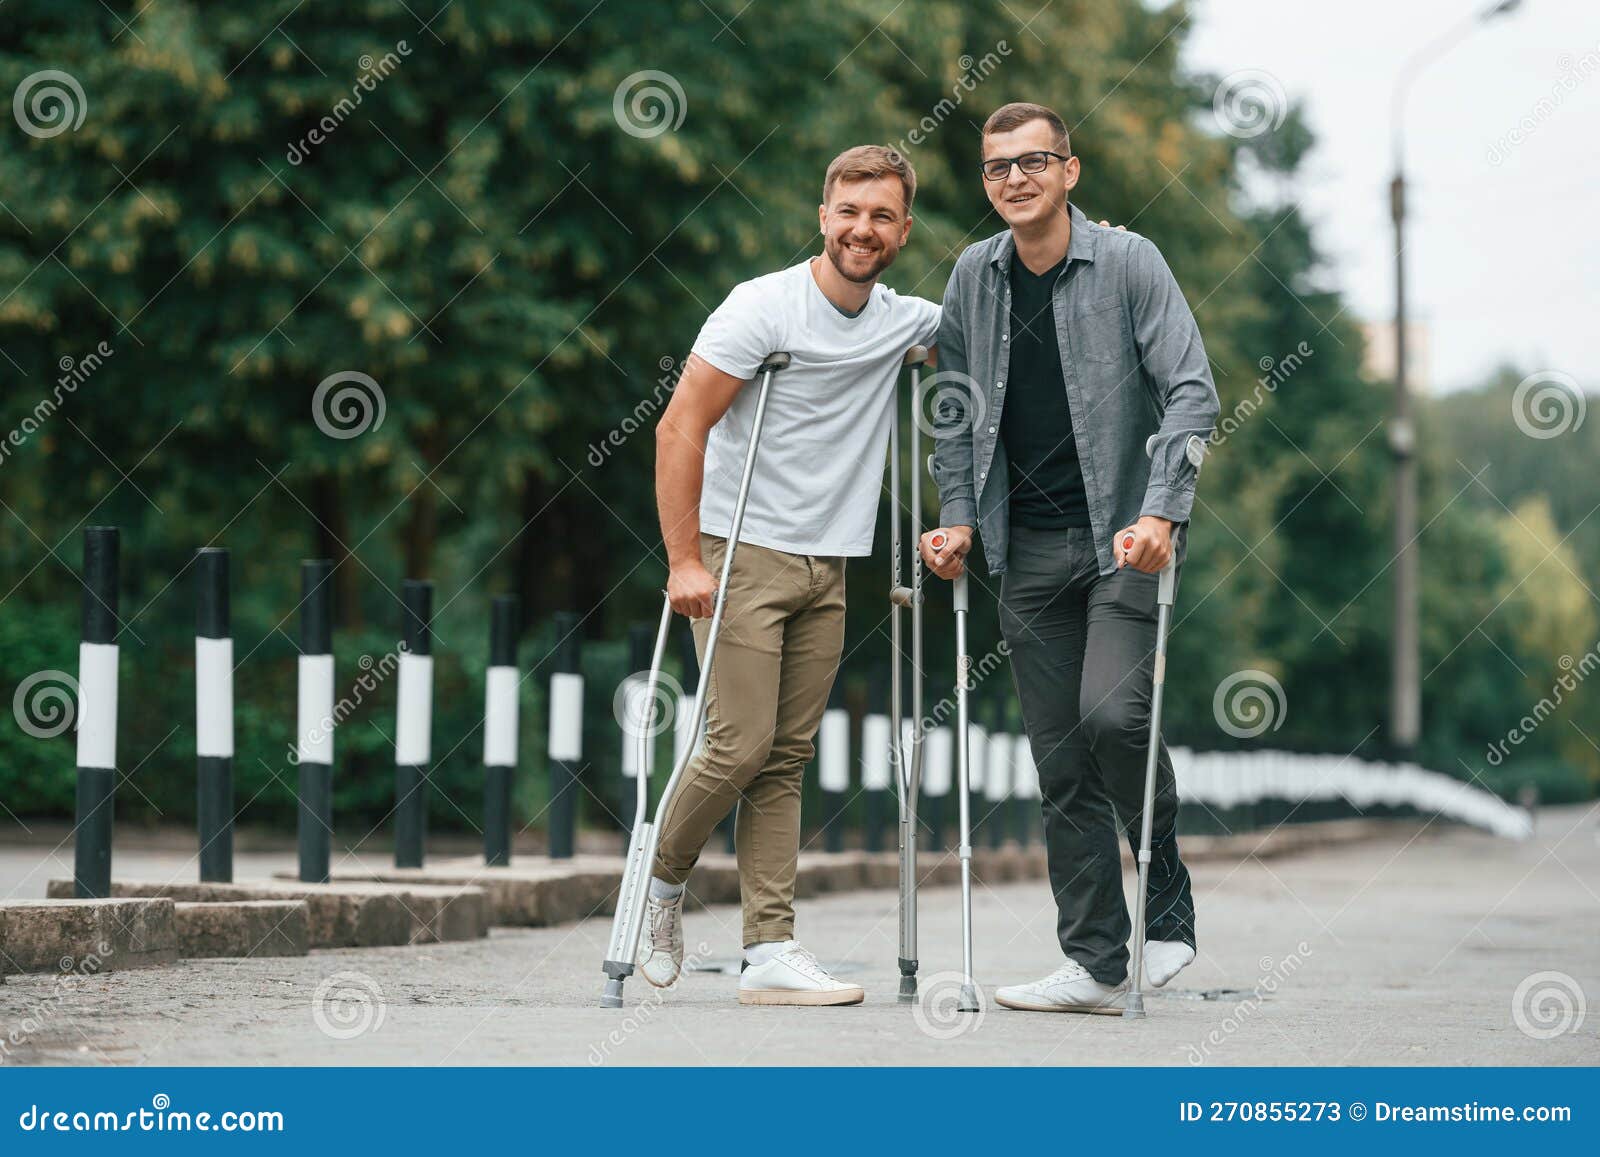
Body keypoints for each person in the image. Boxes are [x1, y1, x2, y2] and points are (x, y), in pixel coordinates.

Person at [922, 102, 1220, 1014]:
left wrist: (1163, 509)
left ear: (1070, 171)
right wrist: (958, 517)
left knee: (1113, 718)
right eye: (998, 167)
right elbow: (956, 408)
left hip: (1123, 539)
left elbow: (1194, 393)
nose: (1015, 178)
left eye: (1034, 161)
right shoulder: (975, 275)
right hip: (1024, 550)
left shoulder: (1130, 262)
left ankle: (1164, 891)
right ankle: (1094, 959)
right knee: (1059, 764)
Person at [641, 145, 939, 1006]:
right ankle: (660, 881)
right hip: (741, 546)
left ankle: (769, 948)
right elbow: (679, 427)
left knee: (786, 757)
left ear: (903, 230)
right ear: (822, 216)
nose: (863, 229)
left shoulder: (901, 318)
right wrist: (685, 559)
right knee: (738, 742)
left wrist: (1089, 242)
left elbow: (992, 313)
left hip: (832, 560)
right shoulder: (762, 307)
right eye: (849, 211)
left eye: (882, 216)